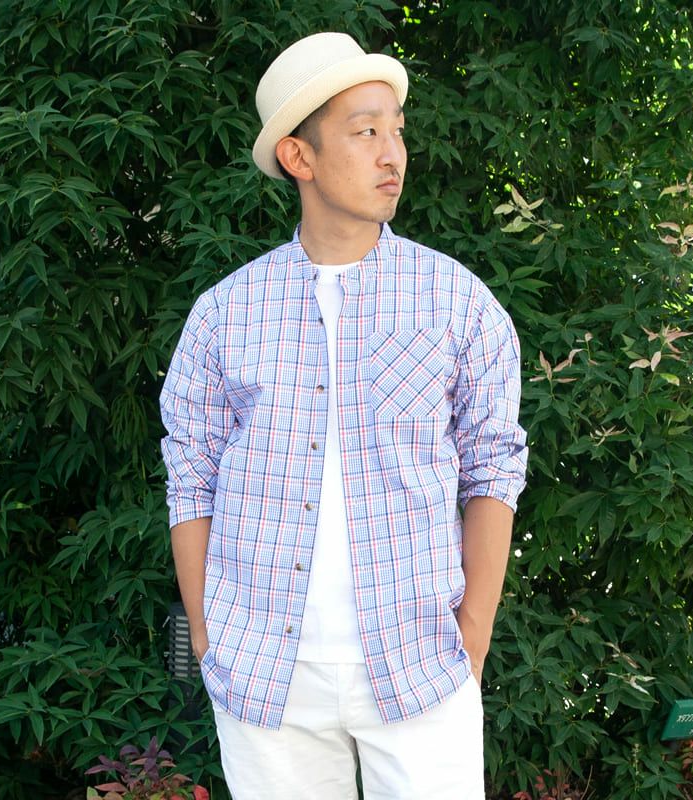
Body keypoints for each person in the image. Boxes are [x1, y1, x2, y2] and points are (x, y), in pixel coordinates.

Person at [160, 31, 528, 800]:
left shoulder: (458, 304)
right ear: (299, 156)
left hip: (420, 664)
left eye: (397, 131)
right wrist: (208, 638)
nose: (393, 155)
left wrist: (473, 637)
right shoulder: (225, 315)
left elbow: (494, 466)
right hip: (265, 673)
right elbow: (191, 478)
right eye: (365, 133)